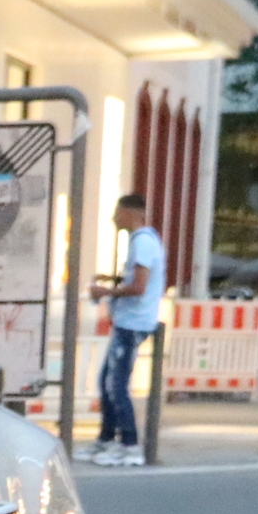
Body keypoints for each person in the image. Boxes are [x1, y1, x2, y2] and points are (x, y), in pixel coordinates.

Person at [87, 191, 166, 466]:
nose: (113, 218)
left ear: (131, 212)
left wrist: (105, 290)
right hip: (129, 320)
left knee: (116, 384)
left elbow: (140, 286)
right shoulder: (144, 241)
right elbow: (138, 279)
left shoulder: (143, 243)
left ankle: (130, 444)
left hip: (133, 322)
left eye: (117, 212)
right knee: (106, 380)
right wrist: (112, 279)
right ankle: (107, 439)